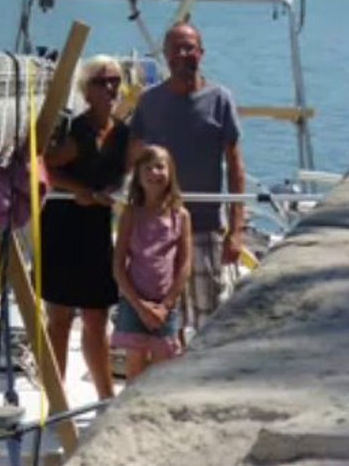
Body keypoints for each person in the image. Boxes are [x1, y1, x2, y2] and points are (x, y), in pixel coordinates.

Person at [129, 20, 245, 333]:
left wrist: (236, 229)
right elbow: (132, 160)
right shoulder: (149, 102)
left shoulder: (220, 99)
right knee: (166, 322)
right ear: (165, 55)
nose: (183, 54)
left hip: (205, 227)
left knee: (209, 318)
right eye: (176, 48)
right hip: (159, 229)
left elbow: (235, 167)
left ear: (201, 53)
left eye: (189, 47)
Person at [41, 55, 129, 401]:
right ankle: (55, 398)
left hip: (96, 229)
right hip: (63, 227)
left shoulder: (122, 133)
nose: (110, 87)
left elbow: (132, 169)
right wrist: (81, 191)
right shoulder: (75, 132)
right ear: (86, 90)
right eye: (102, 81)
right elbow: (45, 165)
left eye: (115, 81)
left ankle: (105, 398)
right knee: (59, 317)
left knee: (96, 317)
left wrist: (113, 193)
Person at [111, 145, 192, 381]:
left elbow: (185, 264)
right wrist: (139, 306)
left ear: (170, 172)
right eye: (148, 168)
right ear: (138, 174)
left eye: (160, 167)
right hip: (135, 302)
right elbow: (118, 264)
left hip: (165, 304)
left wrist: (165, 306)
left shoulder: (181, 216)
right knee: (134, 370)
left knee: (163, 370)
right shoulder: (131, 214)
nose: (154, 173)